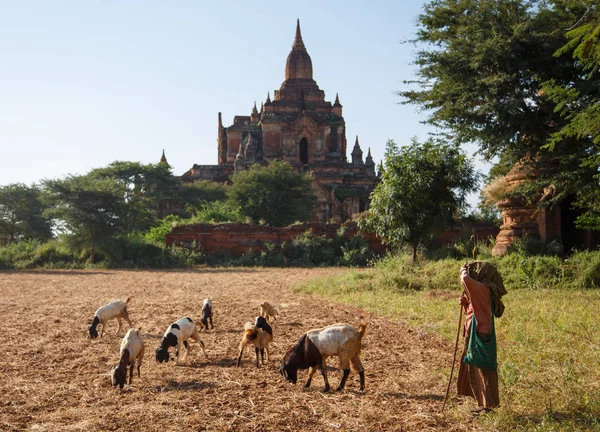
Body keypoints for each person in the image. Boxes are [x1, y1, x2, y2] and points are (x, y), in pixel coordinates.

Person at [456, 261, 507, 415]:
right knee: (475, 368)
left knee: (484, 370)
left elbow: (465, 280)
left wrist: (463, 270)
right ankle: (481, 403)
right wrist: (465, 303)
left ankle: (488, 407)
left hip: (480, 334)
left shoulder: (483, 289)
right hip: (475, 332)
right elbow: (473, 310)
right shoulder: (481, 290)